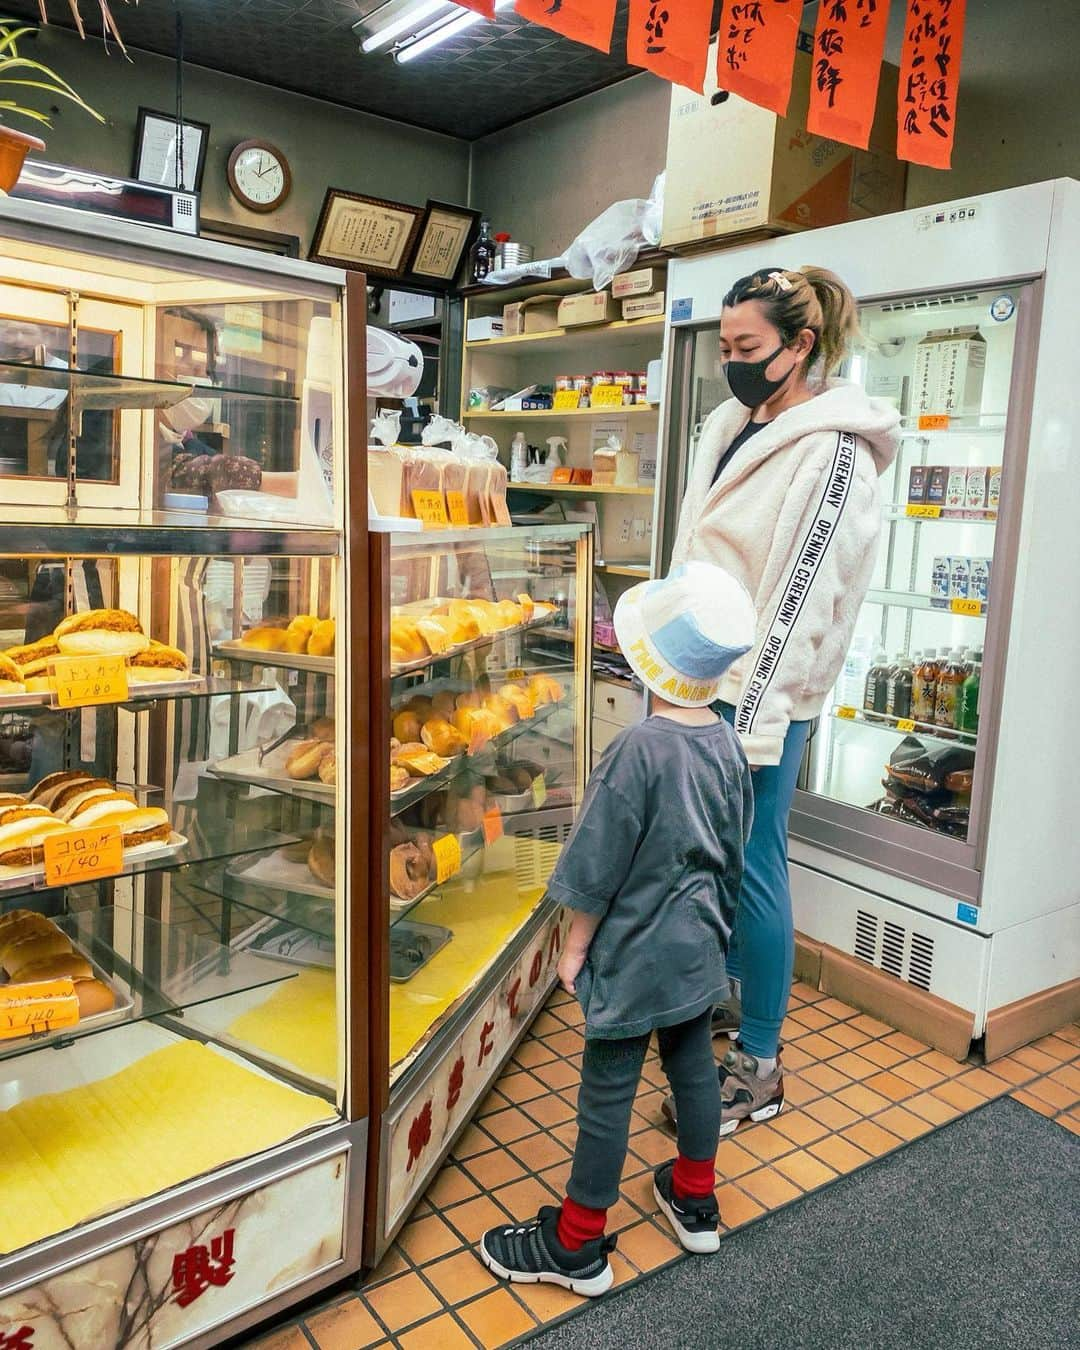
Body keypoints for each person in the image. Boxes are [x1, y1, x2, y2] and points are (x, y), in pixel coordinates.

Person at [664, 266, 900, 1134]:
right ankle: (724, 1000)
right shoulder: (733, 424)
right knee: (714, 857)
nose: (731, 362)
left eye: (748, 348)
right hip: (702, 677)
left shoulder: (835, 452)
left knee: (756, 862)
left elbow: (800, 597)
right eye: (724, 347)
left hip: (765, 697)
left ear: (801, 346)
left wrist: (749, 723)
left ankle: (760, 1061)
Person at [479, 561, 757, 1296]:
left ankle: (576, 1245)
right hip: (698, 947)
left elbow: (595, 863)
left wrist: (575, 944)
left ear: (647, 665)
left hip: (634, 954)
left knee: (608, 1090)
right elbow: (737, 850)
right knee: (694, 1065)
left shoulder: (638, 750)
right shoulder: (727, 746)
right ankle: (696, 1200)